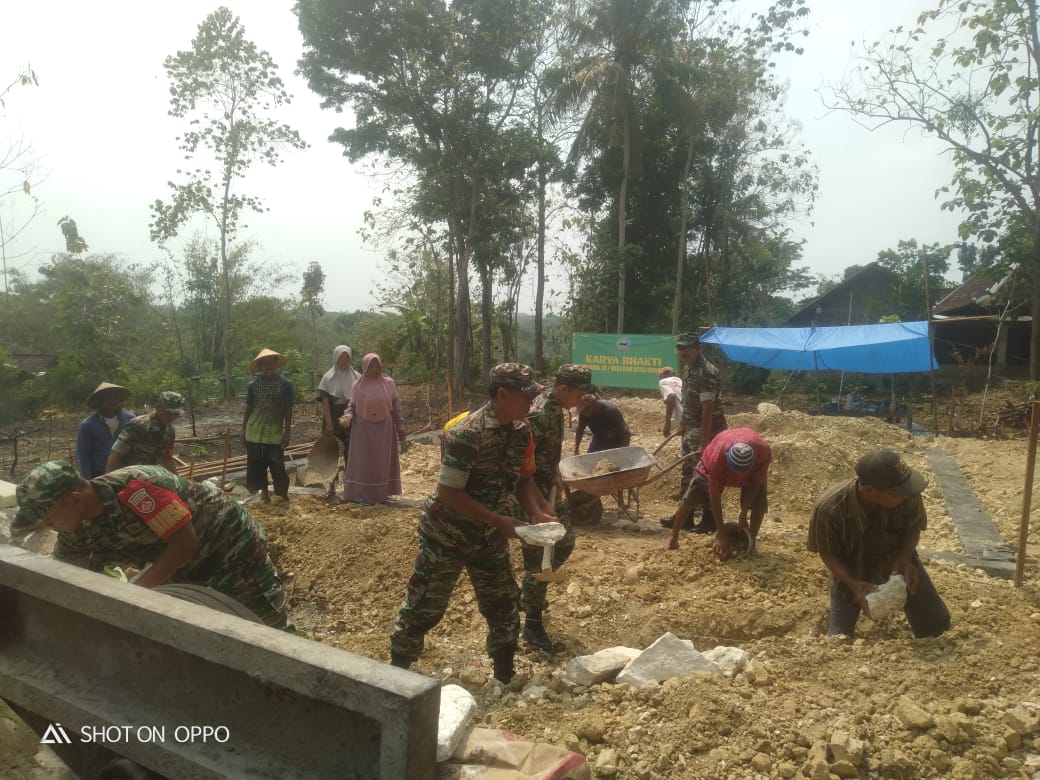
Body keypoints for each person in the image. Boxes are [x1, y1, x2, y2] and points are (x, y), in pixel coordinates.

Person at [389, 364, 553, 684]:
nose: (531, 404)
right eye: (526, 396)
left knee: (504, 604)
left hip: (489, 536)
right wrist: (497, 519)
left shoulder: (521, 431)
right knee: (424, 608)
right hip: (447, 534)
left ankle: (504, 678)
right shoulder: (468, 433)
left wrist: (535, 513)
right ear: (502, 395)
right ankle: (396, 677)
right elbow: (448, 492)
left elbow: (522, 479)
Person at [14, 460, 290, 628]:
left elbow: (185, 543)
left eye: (50, 521)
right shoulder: (74, 527)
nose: (50, 528)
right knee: (211, 622)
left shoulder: (137, 490)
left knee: (262, 624)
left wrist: (132, 596)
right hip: (180, 563)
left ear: (76, 498)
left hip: (227, 545)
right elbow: (66, 577)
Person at [807, 448, 950, 639]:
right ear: (869, 491)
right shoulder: (829, 509)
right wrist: (852, 583)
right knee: (838, 638)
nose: (907, 496)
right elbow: (827, 552)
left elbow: (912, 528)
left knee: (937, 626)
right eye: (899, 493)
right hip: (852, 570)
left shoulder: (907, 493)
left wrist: (904, 558)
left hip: (897, 563)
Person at [521, 363, 593, 650]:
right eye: (578, 395)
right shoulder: (540, 413)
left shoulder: (556, 407)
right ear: (564, 388)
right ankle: (532, 624)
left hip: (545, 483)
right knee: (539, 555)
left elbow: (544, 450)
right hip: (528, 490)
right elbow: (520, 457)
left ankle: (529, 596)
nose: (580, 401)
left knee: (562, 542)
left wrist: (554, 472)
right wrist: (534, 502)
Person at [662, 428, 772, 557]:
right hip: (715, 455)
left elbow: (756, 484)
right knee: (693, 494)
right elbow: (714, 497)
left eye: (743, 472)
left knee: (759, 501)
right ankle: (673, 537)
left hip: (747, 455)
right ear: (727, 460)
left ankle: (752, 544)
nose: (738, 476)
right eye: (735, 471)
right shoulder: (717, 460)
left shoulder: (763, 453)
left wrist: (743, 512)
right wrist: (722, 535)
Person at [662, 331, 727, 533]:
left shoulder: (706, 372)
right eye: (680, 348)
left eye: (686, 348)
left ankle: (709, 519)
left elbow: (707, 407)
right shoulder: (689, 368)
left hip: (706, 430)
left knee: (704, 475)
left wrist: (705, 442)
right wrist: (682, 423)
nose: (682, 352)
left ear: (699, 348)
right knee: (687, 474)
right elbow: (688, 401)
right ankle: (686, 517)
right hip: (691, 428)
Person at [339, 354, 406, 505]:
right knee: (364, 462)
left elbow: (396, 407)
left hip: (384, 429)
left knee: (382, 461)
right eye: (371, 367)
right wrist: (347, 417)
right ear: (365, 368)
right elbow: (352, 406)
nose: (375, 370)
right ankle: (363, 495)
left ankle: (383, 493)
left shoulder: (389, 383)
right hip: (363, 429)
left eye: (377, 367)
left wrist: (400, 426)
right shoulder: (357, 385)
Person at [242, 348, 295, 503]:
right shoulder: (253, 385)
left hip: (274, 431)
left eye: (271, 362)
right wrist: (243, 429)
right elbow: (249, 408)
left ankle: (283, 493)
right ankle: (264, 493)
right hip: (254, 430)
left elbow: (288, 409)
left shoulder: (285, 385)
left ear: (276, 364)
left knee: (277, 464)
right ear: (260, 366)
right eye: (264, 363)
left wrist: (287, 432)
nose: (268, 366)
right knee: (257, 464)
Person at [316, 345, 361, 498]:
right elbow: (324, 401)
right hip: (333, 417)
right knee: (331, 452)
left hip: (351, 417)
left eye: (347, 357)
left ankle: (352, 486)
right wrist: (329, 422)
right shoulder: (328, 377)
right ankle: (331, 486)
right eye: (341, 357)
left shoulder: (357, 377)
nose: (344, 360)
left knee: (352, 451)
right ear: (336, 358)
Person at [105, 391, 184, 473]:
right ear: (158, 408)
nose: (171, 417)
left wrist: (178, 481)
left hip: (150, 476)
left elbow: (167, 459)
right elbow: (115, 456)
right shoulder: (137, 425)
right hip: (127, 475)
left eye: (175, 414)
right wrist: (109, 482)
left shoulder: (169, 431)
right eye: (168, 413)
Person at [76, 382, 134, 479]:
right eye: (109, 398)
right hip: (100, 473)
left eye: (116, 397)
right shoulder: (88, 425)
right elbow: (84, 455)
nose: (113, 401)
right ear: (100, 401)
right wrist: (88, 479)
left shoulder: (129, 420)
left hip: (125, 471)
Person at [658, 366, 683, 439]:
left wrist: (667, 423)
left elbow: (671, 397)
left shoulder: (663, 381)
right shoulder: (681, 381)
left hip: (684, 419)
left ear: (663, 375)